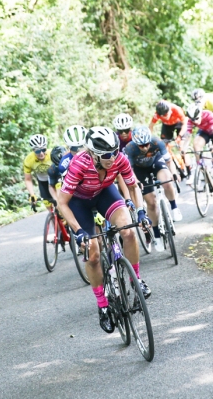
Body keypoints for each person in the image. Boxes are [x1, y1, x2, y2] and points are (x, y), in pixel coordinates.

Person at [57, 126, 151, 334]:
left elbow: (133, 186)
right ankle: (103, 306)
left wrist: (141, 211)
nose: (112, 158)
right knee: (93, 254)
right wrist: (78, 230)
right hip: (78, 203)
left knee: (128, 231)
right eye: (106, 155)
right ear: (93, 154)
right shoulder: (79, 164)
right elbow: (61, 203)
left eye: (115, 151)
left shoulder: (119, 158)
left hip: (104, 193)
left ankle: (136, 280)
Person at [125, 126, 183, 251]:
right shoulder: (130, 148)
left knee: (166, 182)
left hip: (155, 162)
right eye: (141, 146)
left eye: (146, 144)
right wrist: (136, 181)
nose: (145, 148)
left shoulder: (156, 141)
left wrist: (174, 173)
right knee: (151, 203)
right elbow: (130, 171)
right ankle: (156, 235)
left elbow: (169, 161)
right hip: (140, 170)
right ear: (136, 144)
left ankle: (174, 207)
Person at [181, 102, 213, 198]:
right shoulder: (191, 119)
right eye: (192, 120)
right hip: (205, 131)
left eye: (197, 118)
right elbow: (188, 136)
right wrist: (184, 149)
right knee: (196, 144)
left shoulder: (208, 115)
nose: (195, 121)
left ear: (200, 114)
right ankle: (201, 166)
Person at [23, 134, 53, 205]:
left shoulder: (52, 154)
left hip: (55, 178)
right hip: (43, 181)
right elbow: (28, 179)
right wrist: (32, 194)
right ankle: (52, 215)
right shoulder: (29, 160)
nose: (41, 153)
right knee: (47, 203)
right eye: (37, 151)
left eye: (43, 149)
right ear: (33, 150)